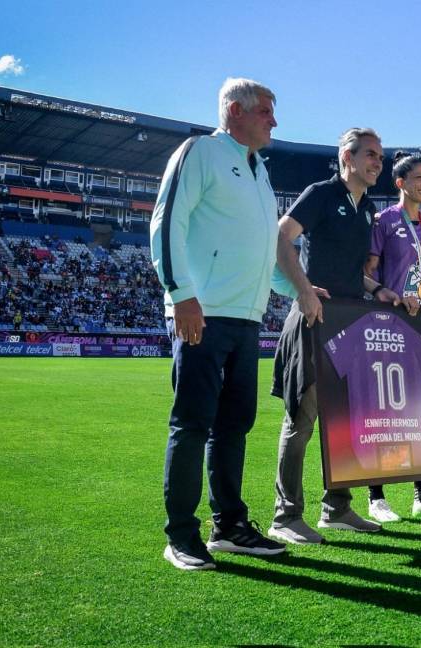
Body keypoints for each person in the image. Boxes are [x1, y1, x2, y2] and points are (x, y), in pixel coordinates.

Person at [150, 78, 287, 570]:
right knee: (192, 424)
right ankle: (181, 536)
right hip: (201, 314)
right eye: (266, 111)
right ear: (235, 110)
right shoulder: (201, 151)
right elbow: (166, 223)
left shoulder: (259, 171)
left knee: (235, 426)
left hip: (247, 319)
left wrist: (302, 291)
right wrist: (181, 294)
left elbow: (264, 251)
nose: (274, 120)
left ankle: (229, 525)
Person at [268, 127, 395, 544]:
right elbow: (281, 238)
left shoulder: (367, 209)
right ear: (348, 157)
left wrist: (377, 289)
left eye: (380, 156)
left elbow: (350, 271)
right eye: (371, 155)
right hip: (313, 319)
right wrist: (303, 291)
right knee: (302, 421)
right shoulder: (321, 193)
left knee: (346, 421)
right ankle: (285, 517)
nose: (378, 162)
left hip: (349, 321)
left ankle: (337, 507)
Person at [362, 155, 421, 522]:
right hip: (388, 326)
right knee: (383, 412)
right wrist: (389, 294)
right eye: (418, 177)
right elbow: (368, 272)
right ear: (399, 183)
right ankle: (376, 497)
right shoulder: (383, 222)